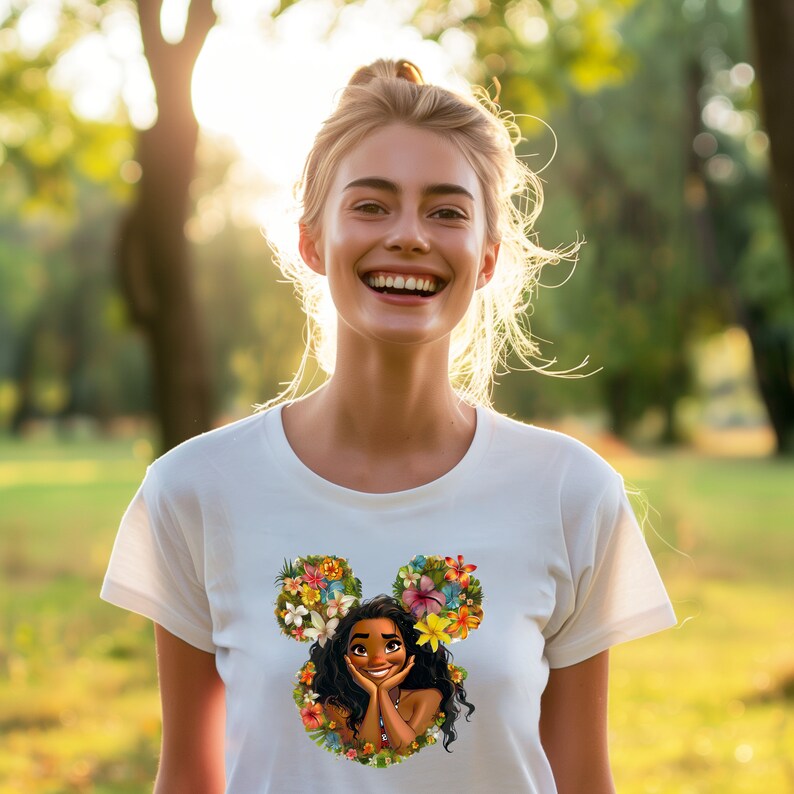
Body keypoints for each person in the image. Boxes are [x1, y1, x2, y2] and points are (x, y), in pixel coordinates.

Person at [101, 59, 676, 793]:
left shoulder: (573, 494)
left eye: (447, 211)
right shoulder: (193, 491)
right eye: (371, 206)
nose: (409, 236)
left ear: (489, 257)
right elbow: (187, 778)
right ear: (312, 241)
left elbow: (583, 779)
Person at [308, 594, 473, 756]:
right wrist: (375, 694)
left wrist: (382, 692)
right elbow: (367, 752)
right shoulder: (337, 706)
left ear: (409, 651)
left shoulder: (428, 697)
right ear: (345, 658)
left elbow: (405, 748)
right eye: (361, 650)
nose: (377, 660)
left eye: (391, 645)